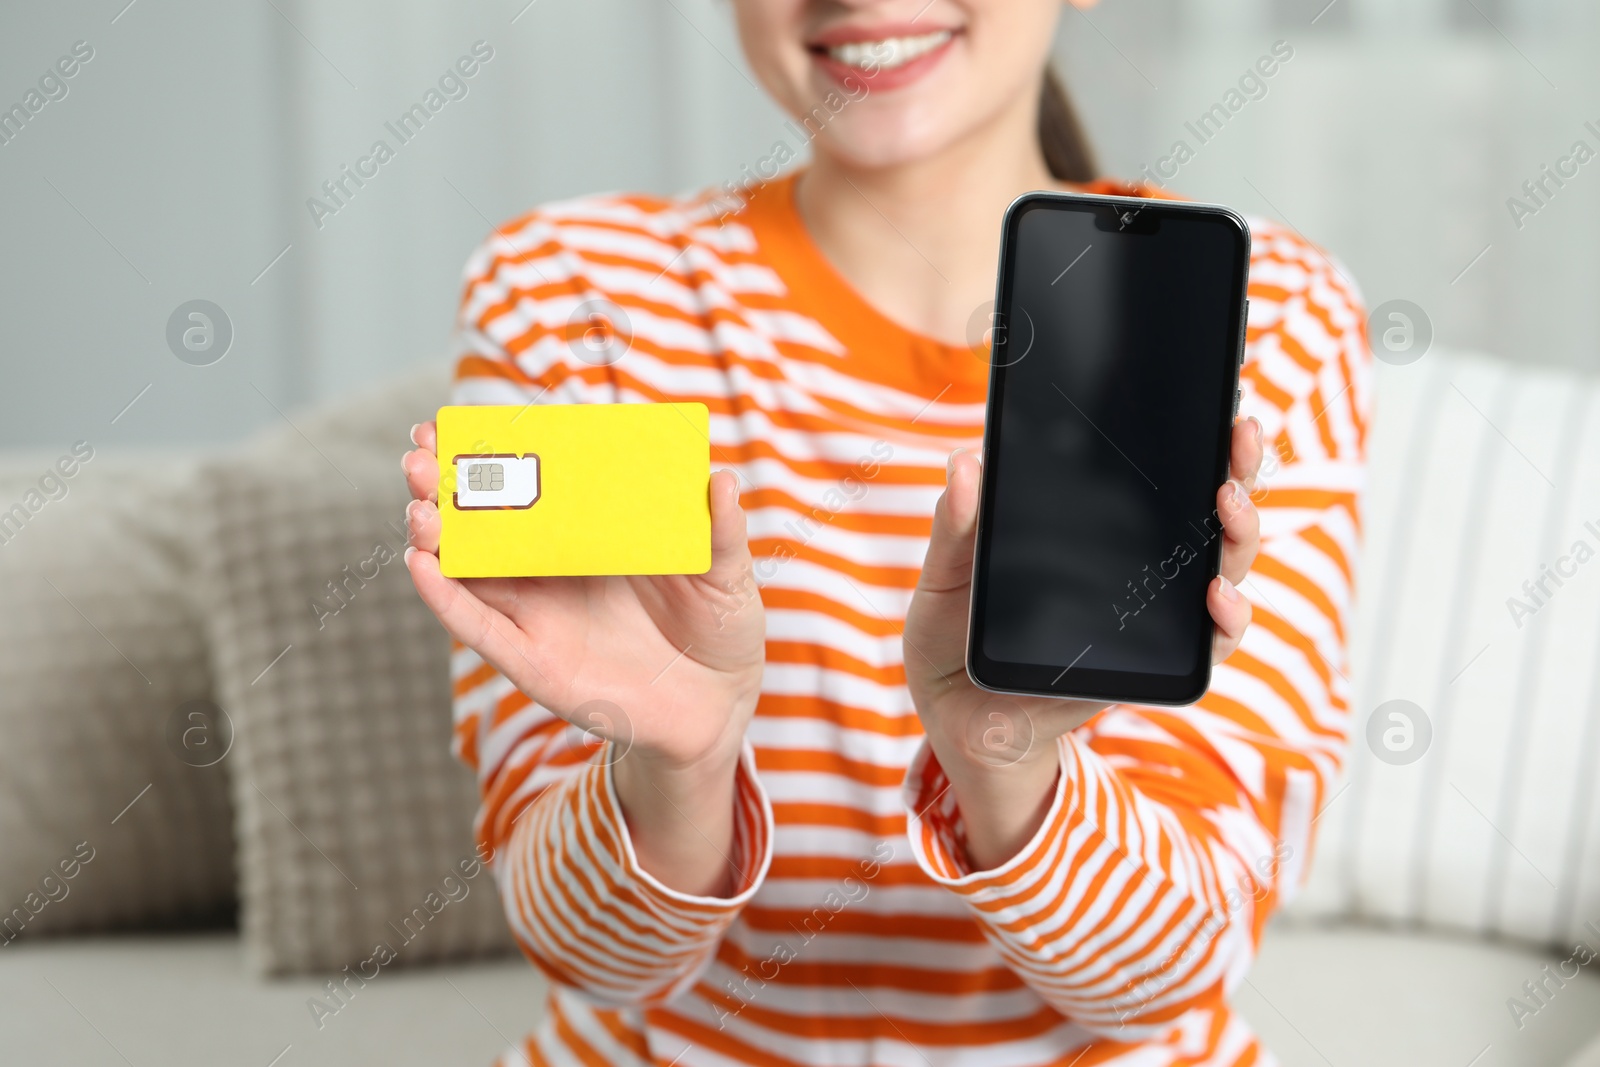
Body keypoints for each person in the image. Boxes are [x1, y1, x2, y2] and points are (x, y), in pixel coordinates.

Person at [400, 1, 1371, 1063]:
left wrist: (1004, 755)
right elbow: (591, 958)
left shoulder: (1270, 317)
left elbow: (1165, 976)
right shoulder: (569, 294)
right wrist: (675, 765)